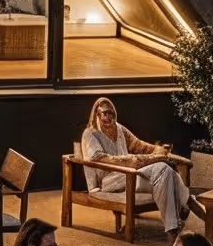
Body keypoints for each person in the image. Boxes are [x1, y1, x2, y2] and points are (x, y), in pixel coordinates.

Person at [80, 95, 190, 234]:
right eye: (105, 113)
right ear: (96, 113)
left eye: (112, 113)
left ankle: (172, 229)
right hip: (108, 181)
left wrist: (157, 150)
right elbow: (99, 158)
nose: (109, 117)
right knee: (162, 171)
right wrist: (136, 160)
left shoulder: (119, 130)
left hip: (130, 174)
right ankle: (184, 202)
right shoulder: (90, 134)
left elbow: (139, 145)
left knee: (165, 172)